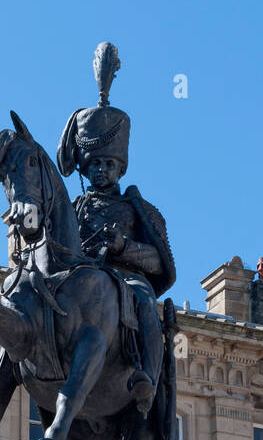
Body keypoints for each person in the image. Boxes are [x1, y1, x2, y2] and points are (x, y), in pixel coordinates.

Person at [57, 41, 176, 412]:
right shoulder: (72, 208)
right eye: (94, 164)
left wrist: (125, 247)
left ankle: (145, 375)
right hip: (79, 283)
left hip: (125, 279)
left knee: (143, 301)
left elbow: (161, 262)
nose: (101, 170)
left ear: (121, 168)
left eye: (109, 164)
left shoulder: (138, 209)